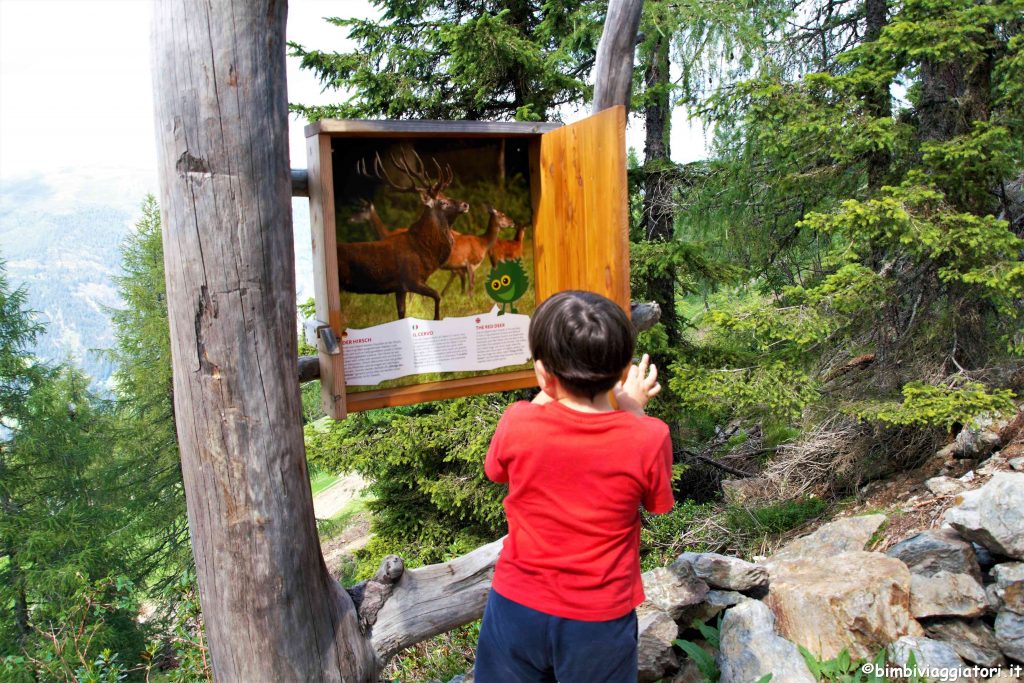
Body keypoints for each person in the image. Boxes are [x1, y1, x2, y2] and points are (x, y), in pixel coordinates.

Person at [475, 290, 675, 683]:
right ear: (623, 374)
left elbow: (495, 471)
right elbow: (657, 504)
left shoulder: (517, 422)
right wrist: (632, 409)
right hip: (598, 618)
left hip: (516, 606)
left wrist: (547, 387)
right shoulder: (650, 437)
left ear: (543, 375)